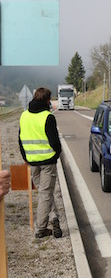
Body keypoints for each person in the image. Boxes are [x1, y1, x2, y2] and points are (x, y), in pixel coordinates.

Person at [18, 87, 62, 238]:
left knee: (45, 193)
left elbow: (20, 139)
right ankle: (41, 229)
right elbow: (55, 142)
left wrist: (25, 157)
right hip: (48, 162)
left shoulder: (24, 116)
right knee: (45, 194)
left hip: (32, 162)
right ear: (47, 100)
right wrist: (56, 155)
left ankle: (54, 217)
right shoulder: (48, 117)